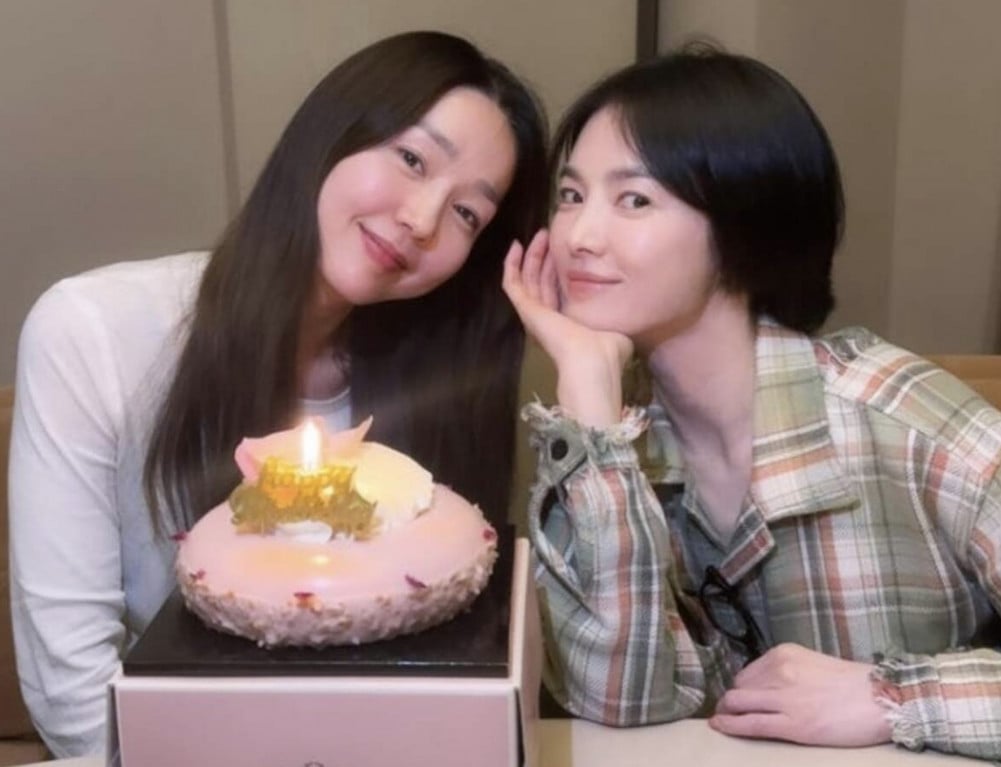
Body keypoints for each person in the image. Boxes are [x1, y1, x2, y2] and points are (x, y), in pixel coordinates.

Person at [10, 30, 548, 757]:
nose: (422, 220)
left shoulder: (434, 386)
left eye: (467, 214)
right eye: (412, 159)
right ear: (328, 136)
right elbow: (71, 687)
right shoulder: (92, 333)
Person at [503, 44, 1001, 761]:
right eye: (571, 195)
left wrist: (892, 698)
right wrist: (585, 388)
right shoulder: (610, 438)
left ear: (743, 222)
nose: (577, 236)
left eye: (634, 200)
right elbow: (619, 703)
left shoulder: (904, 417)